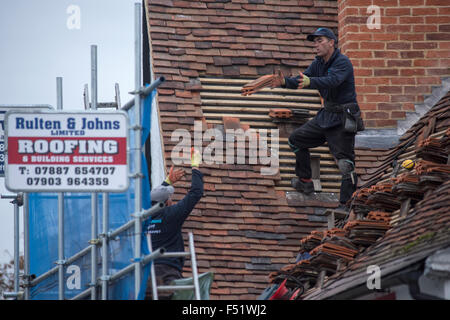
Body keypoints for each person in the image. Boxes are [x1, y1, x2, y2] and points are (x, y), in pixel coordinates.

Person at [272, 27, 363, 213]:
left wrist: (310, 82)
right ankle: (305, 181)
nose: (316, 45)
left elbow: (332, 81)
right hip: (326, 115)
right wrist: (284, 82)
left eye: (320, 40)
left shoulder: (342, 62)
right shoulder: (318, 63)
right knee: (296, 140)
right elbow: (302, 79)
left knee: (345, 164)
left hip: (342, 119)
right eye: (314, 41)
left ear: (331, 42)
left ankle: (346, 205)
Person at [144, 148, 203, 300]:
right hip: (168, 275)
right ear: (167, 202)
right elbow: (196, 192)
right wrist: (195, 165)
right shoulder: (171, 215)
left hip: (144, 278)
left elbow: (153, 200)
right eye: (170, 197)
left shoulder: (143, 220)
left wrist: (167, 182)